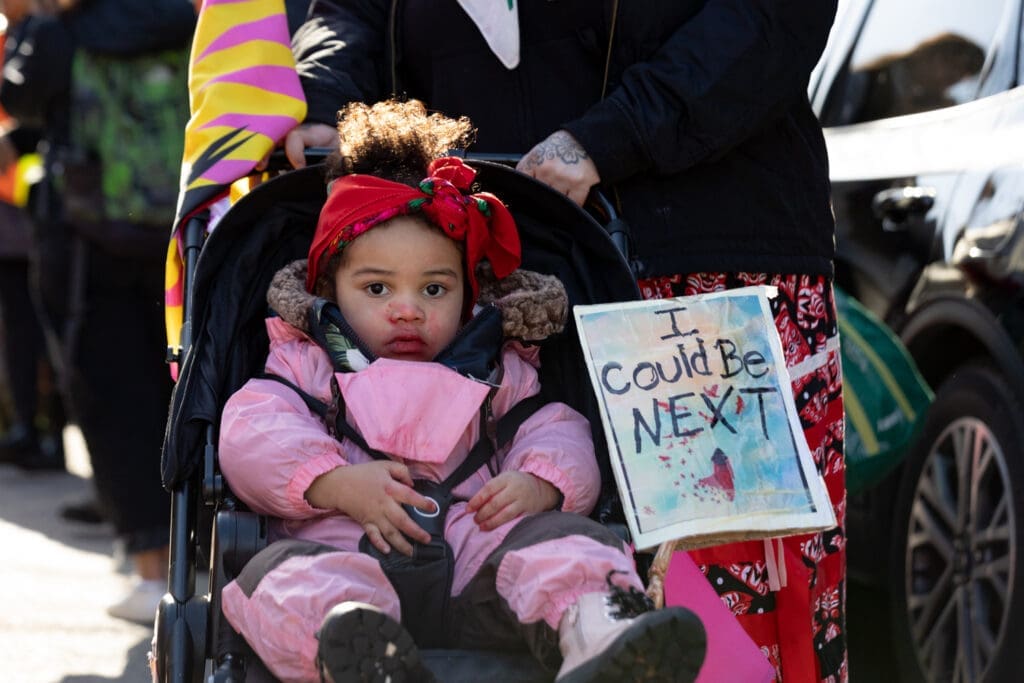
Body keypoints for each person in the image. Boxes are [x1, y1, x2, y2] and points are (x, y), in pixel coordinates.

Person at [283, 2, 846, 681]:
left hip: (700, 254)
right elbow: (350, 13)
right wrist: (326, 102)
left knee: (722, 598)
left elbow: (768, 19)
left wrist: (613, 136)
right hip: (479, 260)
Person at [216, 99, 705, 683]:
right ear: (329, 287)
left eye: (433, 290)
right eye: (376, 288)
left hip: (483, 561)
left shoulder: (499, 366)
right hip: (344, 547)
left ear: (469, 295)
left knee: (566, 548)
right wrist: (331, 481)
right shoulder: (306, 362)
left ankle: (601, 634)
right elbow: (252, 432)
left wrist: (543, 481)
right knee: (283, 576)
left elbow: (558, 429)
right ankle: (353, 648)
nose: (406, 310)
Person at [0, 0, 196, 623]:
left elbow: (20, 99)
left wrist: (33, 19)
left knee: (111, 400)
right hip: (184, 236)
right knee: (185, 389)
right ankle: (202, 554)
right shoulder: (186, 17)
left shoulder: (61, 30)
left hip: (86, 241)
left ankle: (147, 569)